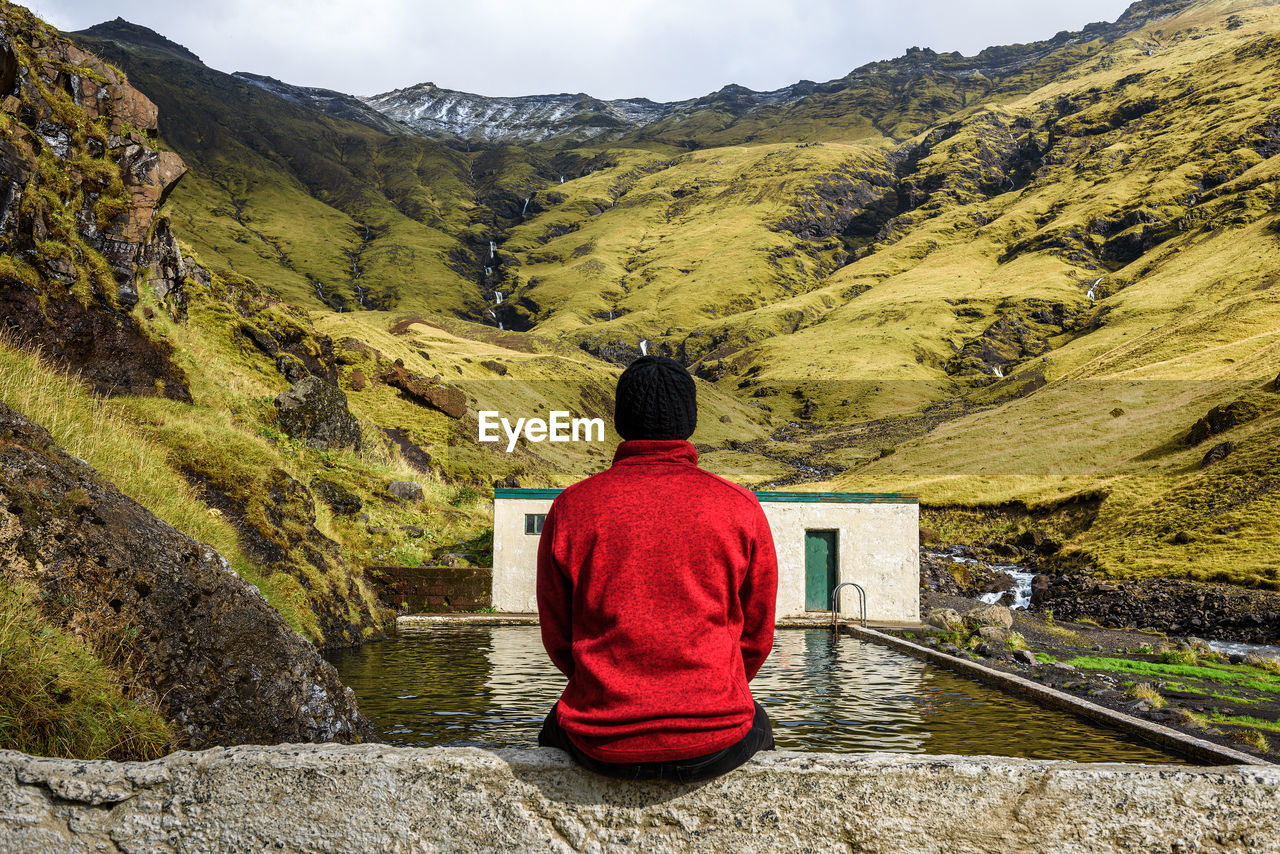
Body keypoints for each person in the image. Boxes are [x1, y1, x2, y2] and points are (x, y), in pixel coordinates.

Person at [536, 355, 778, 783]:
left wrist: (609, 686)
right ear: (690, 421)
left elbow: (559, 639)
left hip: (601, 738)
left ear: (620, 421)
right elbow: (756, 636)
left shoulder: (571, 507)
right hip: (716, 737)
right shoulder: (739, 506)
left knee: (550, 732)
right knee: (760, 724)